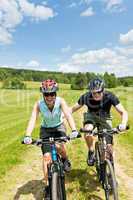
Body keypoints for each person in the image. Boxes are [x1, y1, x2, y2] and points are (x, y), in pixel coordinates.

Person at [23, 79, 79, 199]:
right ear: (43, 94)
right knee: (46, 157)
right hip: (46, 130)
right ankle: (49, 186)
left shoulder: (61, 101)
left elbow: (68, 115)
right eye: (46, 94)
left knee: (59, 146)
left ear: (56, 93)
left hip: (59, 127)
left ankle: (65, 159)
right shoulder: (39, 104)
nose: (49, 97)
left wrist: (74, 130)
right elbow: (33, 118)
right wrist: (28, 135)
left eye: (52, 94)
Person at [71, 78, 128, 166]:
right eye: (94, 92)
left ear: (103, 90)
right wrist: (63, 116)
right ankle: (91, 151)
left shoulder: (110, 96)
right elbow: (72, 109)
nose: (96, 95)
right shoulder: (86, 96)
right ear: (90, 91)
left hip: (105, 118)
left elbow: (123, 112)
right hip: (91, 116)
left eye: (99, 92)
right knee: (88, 131)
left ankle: (110, 175)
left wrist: (123, 124)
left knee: (109, 148)